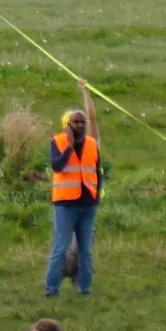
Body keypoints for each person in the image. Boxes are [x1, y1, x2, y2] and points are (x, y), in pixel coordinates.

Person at [45, 94, 102, 296]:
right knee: (60, 249)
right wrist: (69, 147)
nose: (79, 125)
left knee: (86, 251)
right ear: (67, 125)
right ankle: (51, 289)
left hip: (87, 205)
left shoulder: (92, 144)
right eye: (75, 122)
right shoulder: (57, 142)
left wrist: (96, 198)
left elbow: (97, 172)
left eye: (82, 122)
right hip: (65, 205)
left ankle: (84, 289)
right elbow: (57, 166)